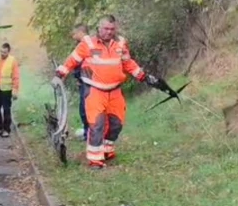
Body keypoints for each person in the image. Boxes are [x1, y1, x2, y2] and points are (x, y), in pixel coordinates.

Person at [52, 15, 170, 170]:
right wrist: (58, 76)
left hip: (115, 91)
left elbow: (128, 63)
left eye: (112, 29)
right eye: (106, 29)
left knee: (116, 124)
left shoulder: (120, 43)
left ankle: (107, 151)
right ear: (99, 28)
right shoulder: (87, 43)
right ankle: (95, 160)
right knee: (97, 124)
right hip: (94, 90)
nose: (109, 32)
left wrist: (144, 77)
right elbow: (71, 61)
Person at [0, 42, 21, 137]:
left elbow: (16, 77)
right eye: (1, 51)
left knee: (6, 109)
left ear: (8, 52)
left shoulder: (12, 61)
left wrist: (15, 91)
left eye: (4, 52)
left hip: (6, 89)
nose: (2, 54)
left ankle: (6, 129)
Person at [70, 24, 90, 140]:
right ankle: (87, 131)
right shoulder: (84, 45)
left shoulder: (86, 45)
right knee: (84, 107)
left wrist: (79, 77)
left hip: (87, 80)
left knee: (85, 108)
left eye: (75, 33)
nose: (73, 36)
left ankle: (88, 133)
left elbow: (79, 63)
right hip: (83, 79)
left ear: (80, 32)